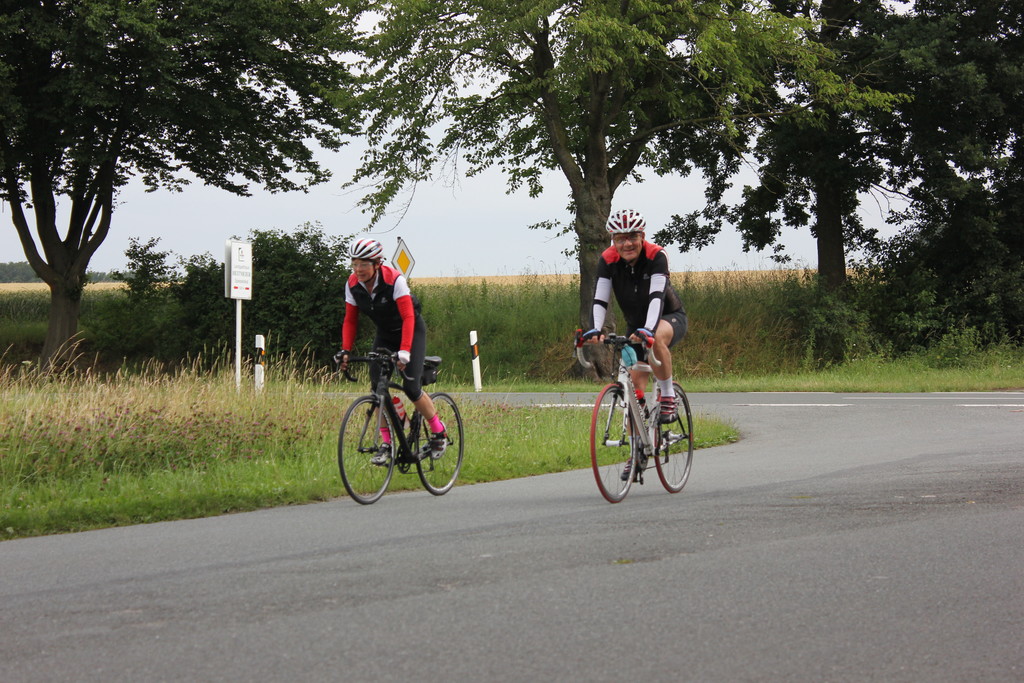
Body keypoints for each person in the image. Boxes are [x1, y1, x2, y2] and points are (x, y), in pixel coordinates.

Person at [335, 238, 446, 465]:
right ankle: (387, 443)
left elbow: (408, 317)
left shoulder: (395, 280)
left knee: (412, 388)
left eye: (363, 264)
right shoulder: (352, 284)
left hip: (410, 331)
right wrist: (345, 349)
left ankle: (439, 432)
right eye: (354, 264)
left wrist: (404, 351)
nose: (358, 269)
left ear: (377, 264)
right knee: (378, 389)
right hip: (385, 334)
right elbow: (350, 320)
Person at [581, 208, 688, 429]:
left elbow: (656, 297)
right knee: (633, 398)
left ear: (642, 237)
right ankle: (637, 448)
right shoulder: (607, 259)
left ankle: (668, 395)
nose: (627, 244)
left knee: (656, 338)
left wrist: (648, 329)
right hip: (636, 326)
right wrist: (595, 329)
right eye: (620, 239)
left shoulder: (656, 255)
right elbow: (600, 299)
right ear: (613, 240)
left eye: (632, 237)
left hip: (668, 317)